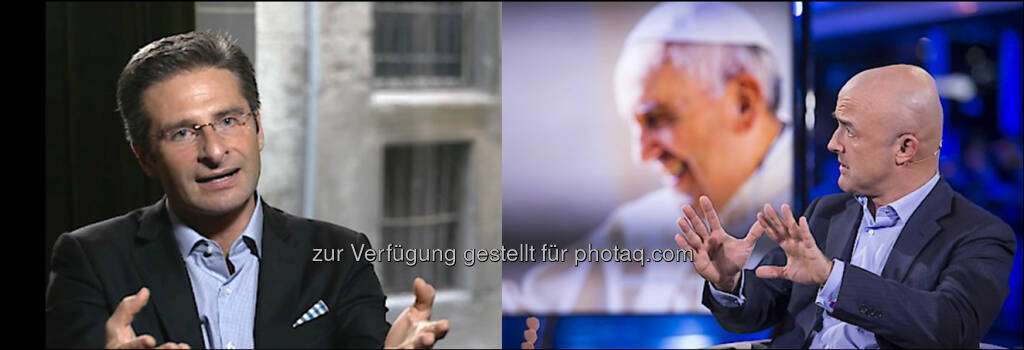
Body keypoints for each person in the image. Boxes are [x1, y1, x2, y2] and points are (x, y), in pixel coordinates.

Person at [45, 31, 449, 349]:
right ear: (145, 157)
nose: (215, 151)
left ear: (258, 128)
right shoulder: (90, 261)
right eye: (182, 133)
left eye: (228, 120)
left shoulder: (340, 256)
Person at [677, 64, 1016, 348]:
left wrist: (831, 277)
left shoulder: (979, 235)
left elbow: (949, 327)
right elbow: (761, 309)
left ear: (904, 149)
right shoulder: (825, 213)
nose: (832, 143)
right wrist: (729, 282)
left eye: (849, 131)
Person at [503, 2, 791, 314]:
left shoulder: (827, 201)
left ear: (742, 103)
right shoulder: (636, 227)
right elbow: (529, 305)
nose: (641, 154)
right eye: (634, 126)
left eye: (657, 119)